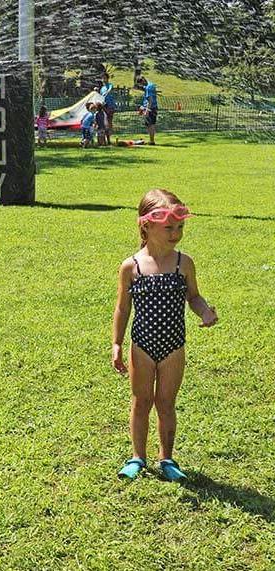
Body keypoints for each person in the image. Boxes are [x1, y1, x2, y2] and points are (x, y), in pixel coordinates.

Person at [112, 189, 218, 481]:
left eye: (180, 227)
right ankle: (137, 457)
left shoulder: (184, 263)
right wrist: (117, 343)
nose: (176, 234)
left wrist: (205, 311)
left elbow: (193, 297)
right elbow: (122, 308)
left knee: (166, 403)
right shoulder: (131, 267)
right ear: (146, 225)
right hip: (142, 346)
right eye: (169, 227)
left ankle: (167, 459)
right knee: (141, 401)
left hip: (173, 347)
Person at [136, 76, 159, 145]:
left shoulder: (148, 87)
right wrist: (142, 107)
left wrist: (147, 111)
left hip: (151, 108)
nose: (141, 86)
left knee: (150, 124)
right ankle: (151, 140)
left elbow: (150, 100)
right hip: (150, 107)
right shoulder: (149, 85)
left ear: (142, 81)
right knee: (148, 124)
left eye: (141, 84)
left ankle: (152, 141)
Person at [99, 72, 116, 141]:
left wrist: (107, 92)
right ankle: (105, 139)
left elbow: (110, 89)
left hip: (110, 106)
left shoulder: (110, 85)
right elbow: (100, 97)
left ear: (107, 78)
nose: (103, 79)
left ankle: (108, 138)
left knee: (109, 122)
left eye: (105, 78)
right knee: (104, 122)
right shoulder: (102, 88)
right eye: (102, 78)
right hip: (104, 106)